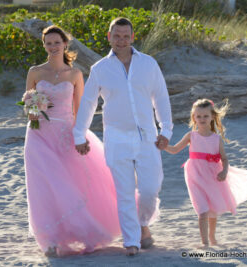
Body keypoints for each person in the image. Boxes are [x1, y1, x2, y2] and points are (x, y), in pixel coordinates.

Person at [73, 17, 173, 256]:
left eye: (125, 36)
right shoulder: (100, 69)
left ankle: (143, 222)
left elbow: (160, 97)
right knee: (124, 192)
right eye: (116, 36)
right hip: (116, 139)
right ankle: (132, 241)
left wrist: (166, 130)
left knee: (150, 189)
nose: (121, 41)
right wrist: (79, 134)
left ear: (132, 37)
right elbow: (88, 104)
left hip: (147, 137)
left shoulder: (149, 64)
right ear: (109, 37)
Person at [23, 25, 121, 257]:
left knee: (69, 184)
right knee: (44, 186)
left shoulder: (75, 74)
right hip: (39, 134)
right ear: (44, 45)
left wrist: (81, 136)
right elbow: (30, 109)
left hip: (66, 133)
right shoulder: (35, 72)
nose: (53, 47)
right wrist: (34, 109)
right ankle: (49, 239)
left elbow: (80, 111)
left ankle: (82, 231)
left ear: (65, 44)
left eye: (57, 42)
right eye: (48, 43)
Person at [164, 98, 247, 247]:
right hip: (195, 175)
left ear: (212, 117)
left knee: (212, 209)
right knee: (202, 210)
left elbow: (224, 159)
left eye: (205, 116)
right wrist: (163, 145)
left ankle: (212, 237)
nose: (202, 119)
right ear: (194, 117)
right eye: (198, 116)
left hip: (213, 175)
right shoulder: (191, 136)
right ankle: (205, 242)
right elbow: (174, 149)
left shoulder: (216, 138)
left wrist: (225, 171)